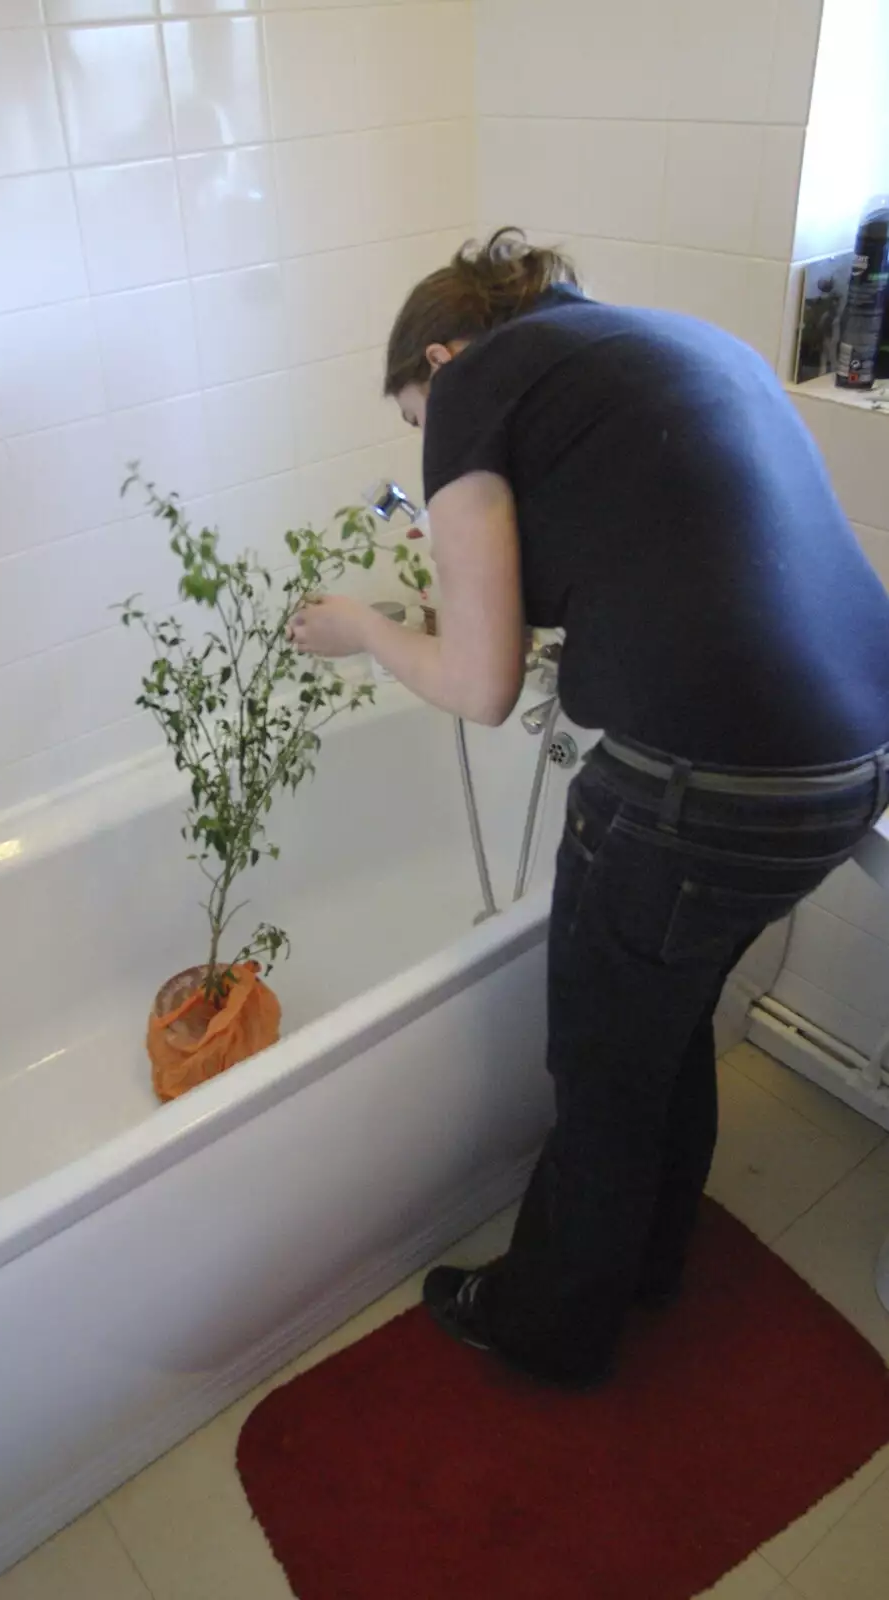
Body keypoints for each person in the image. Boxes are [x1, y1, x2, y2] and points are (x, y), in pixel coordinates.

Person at [288, 228, 889, 1389]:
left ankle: (548, 1325)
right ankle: (651, 1259)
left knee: (604, 1070)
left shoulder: (471, 385)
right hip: (853, 766)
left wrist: (363, 629)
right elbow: (675, 556)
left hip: (702, 791)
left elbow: (479, 685)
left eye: (417, 422)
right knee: (664, 1025)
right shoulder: (669, 344)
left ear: (446, 357)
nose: (430, 441)